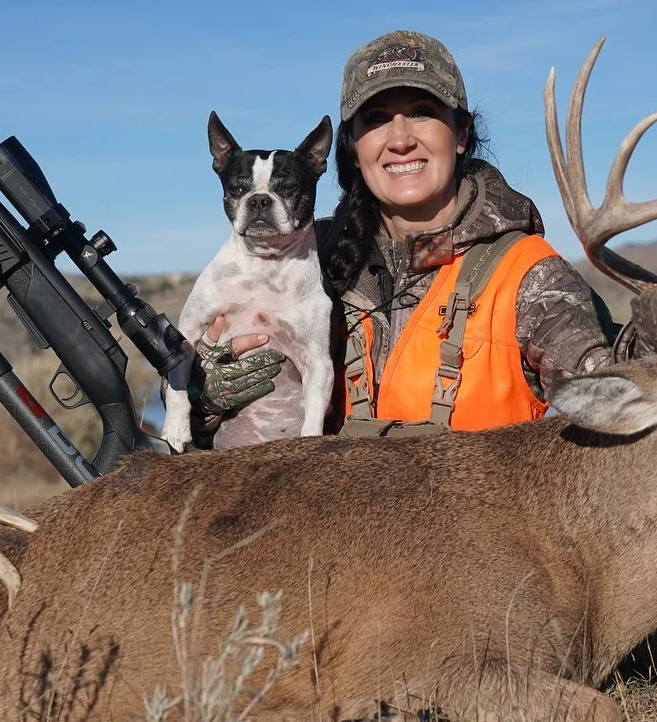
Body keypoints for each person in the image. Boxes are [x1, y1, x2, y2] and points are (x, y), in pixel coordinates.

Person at [186, 30, 623, 447]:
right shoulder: (306, 255)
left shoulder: (529, 277)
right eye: (376, 120)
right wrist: (203, 397)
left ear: (462, 134)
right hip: (311, 515)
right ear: (354, 148)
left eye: (421, 112)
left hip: (472, 519)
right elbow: (198, 417)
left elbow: (610, 403)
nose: (400, 140)